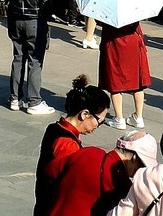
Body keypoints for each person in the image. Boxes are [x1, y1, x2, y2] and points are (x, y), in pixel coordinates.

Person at [34, 74, 111, 216]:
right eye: (99, 121)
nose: (98, 126)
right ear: (84, 114)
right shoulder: (68, 145)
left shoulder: (55, 128)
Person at [47, 130, 159, 216]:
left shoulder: (87, 152)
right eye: (142, 165)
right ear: (134, 157)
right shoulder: (123, 186)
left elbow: (51, 171)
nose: (140, 171)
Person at [3, 0, 55, 115]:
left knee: (18, 58)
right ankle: (34, 101)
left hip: (15, 21)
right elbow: (47, 4)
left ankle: (15, 98)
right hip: (35, 22)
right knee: (35, 61)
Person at [99, 19, 150, 130]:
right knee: (137, 81)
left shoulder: (110, 6)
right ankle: (138, 117)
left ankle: (119, 118)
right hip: (133, 40)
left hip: (114, 40)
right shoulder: (134, 6)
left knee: (115, 81)